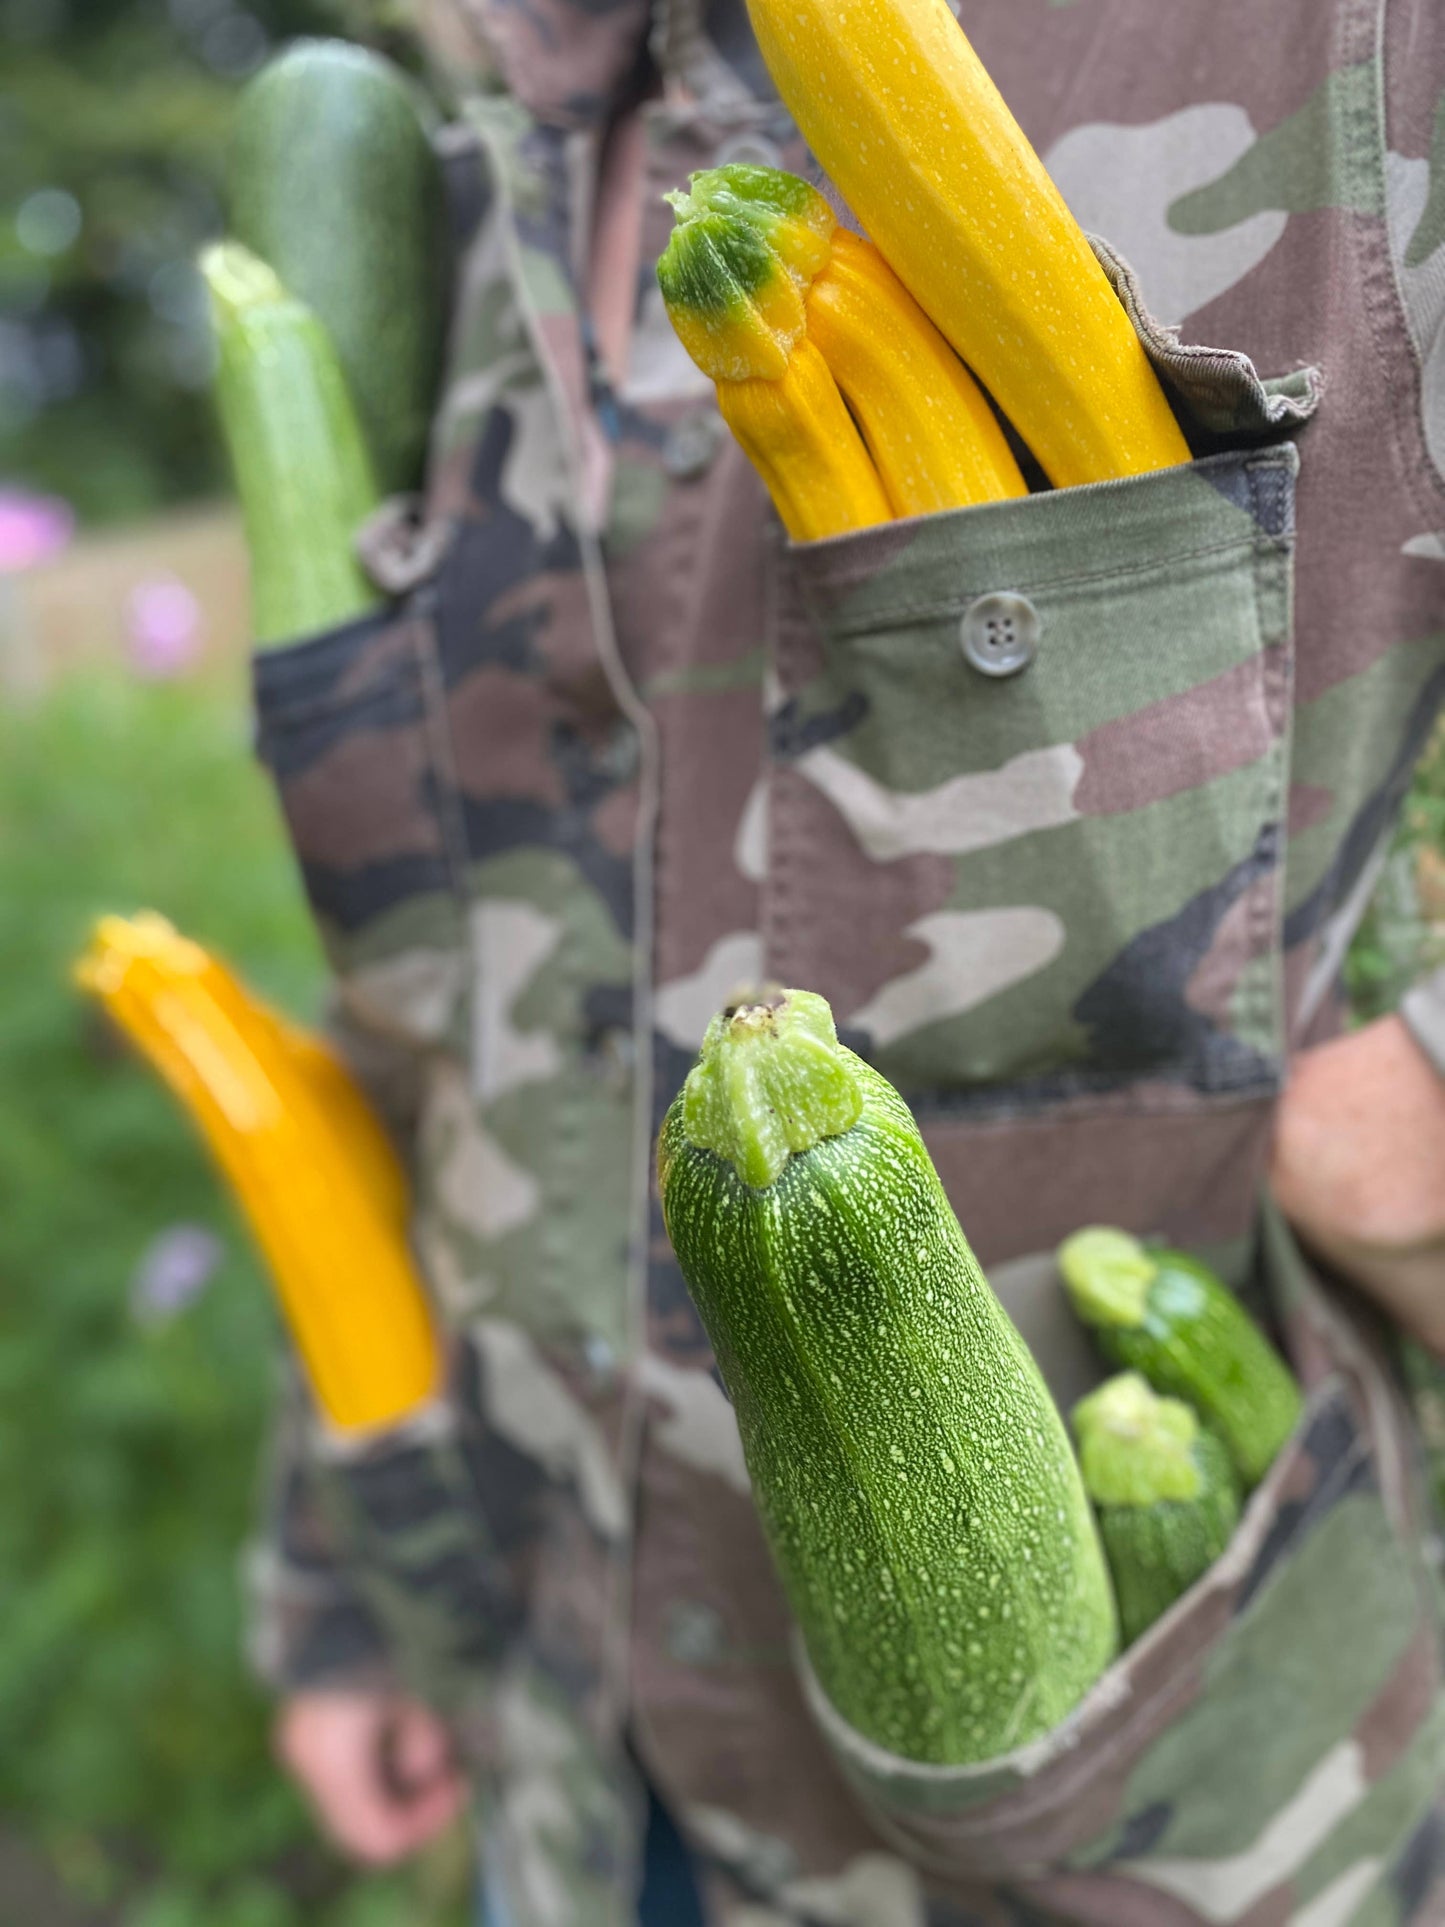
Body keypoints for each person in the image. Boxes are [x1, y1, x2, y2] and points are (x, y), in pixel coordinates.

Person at [246, 0, 1445, 1920]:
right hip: (557, 1752)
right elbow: (426, 996)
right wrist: (357, 1573)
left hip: (1124, 1829)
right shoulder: (466, 154)